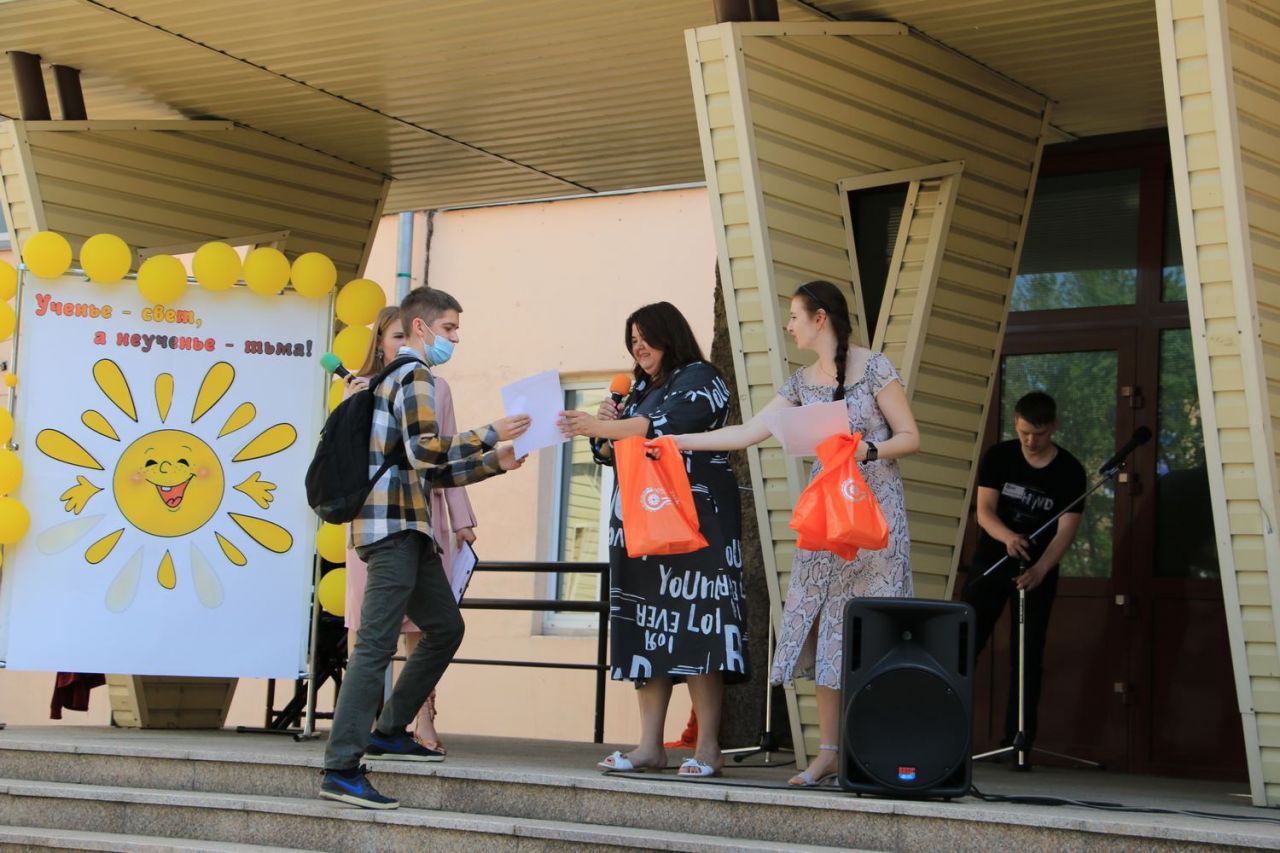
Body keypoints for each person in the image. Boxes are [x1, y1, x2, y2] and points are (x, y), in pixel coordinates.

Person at [667, 280, 919, 786]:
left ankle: (875, 750)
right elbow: (747, 433)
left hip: (875, 522)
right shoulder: (801, 382)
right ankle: (828, 753)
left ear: (820, 318)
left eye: (795, 316)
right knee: (827, 626)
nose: (788, 326)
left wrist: (867, 449)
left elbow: (911, 437)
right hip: (825, 522)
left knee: (873, 628)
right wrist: (675, 441)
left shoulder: (875, 367)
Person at [320, 287, 530, 810]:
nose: (454, 339)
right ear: (421, 327)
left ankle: (390, 730)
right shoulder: (414, 376)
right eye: (449, 328)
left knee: (445, 627)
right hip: (393, 530)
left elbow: (425, 470)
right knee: (375, 645)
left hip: (408, 529)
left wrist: (494, 462)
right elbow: (425, 452)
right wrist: (489, 434)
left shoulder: (392, 380)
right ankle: (341, 767)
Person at [558, 301, 747, 779]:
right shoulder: (640, 388)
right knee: (648, 624)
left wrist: (606, 427)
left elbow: (659, 428)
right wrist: (604, 428)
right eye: (632, 340)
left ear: (670, 334)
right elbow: (608, 451)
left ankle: (707, 748)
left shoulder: (702, 377)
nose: (638, 347)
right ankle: (649, 746)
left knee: (700, 624)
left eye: (645, 337)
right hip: (642, 521)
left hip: (697, 521)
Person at [343, 306, 478, 754]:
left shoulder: (436, 387)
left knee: (434, 626)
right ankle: (352, 743)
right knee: (369, 632)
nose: (404, 343)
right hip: (378, 520)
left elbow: (440, 456)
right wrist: (493, 437)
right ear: (382, 342)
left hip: (423, 516)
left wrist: (462, 519)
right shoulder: (368, 387)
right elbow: (412, 451)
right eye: (395, 336)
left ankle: (414, 720)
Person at [962, 391, 1085, 763]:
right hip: (992, 562)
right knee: (963, 644)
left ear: (1053, 427)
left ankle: (1018, 740)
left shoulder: (1070, 471)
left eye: (1039, 434)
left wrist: (1041, 569)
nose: (1031, 441)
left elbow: (1066, 531)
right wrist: (1008, 538)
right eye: (1024, 433)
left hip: (1037, 569)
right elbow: (984, 511)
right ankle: (950, 732)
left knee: (1027, 655)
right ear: (1016, 423)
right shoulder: (999, 457)